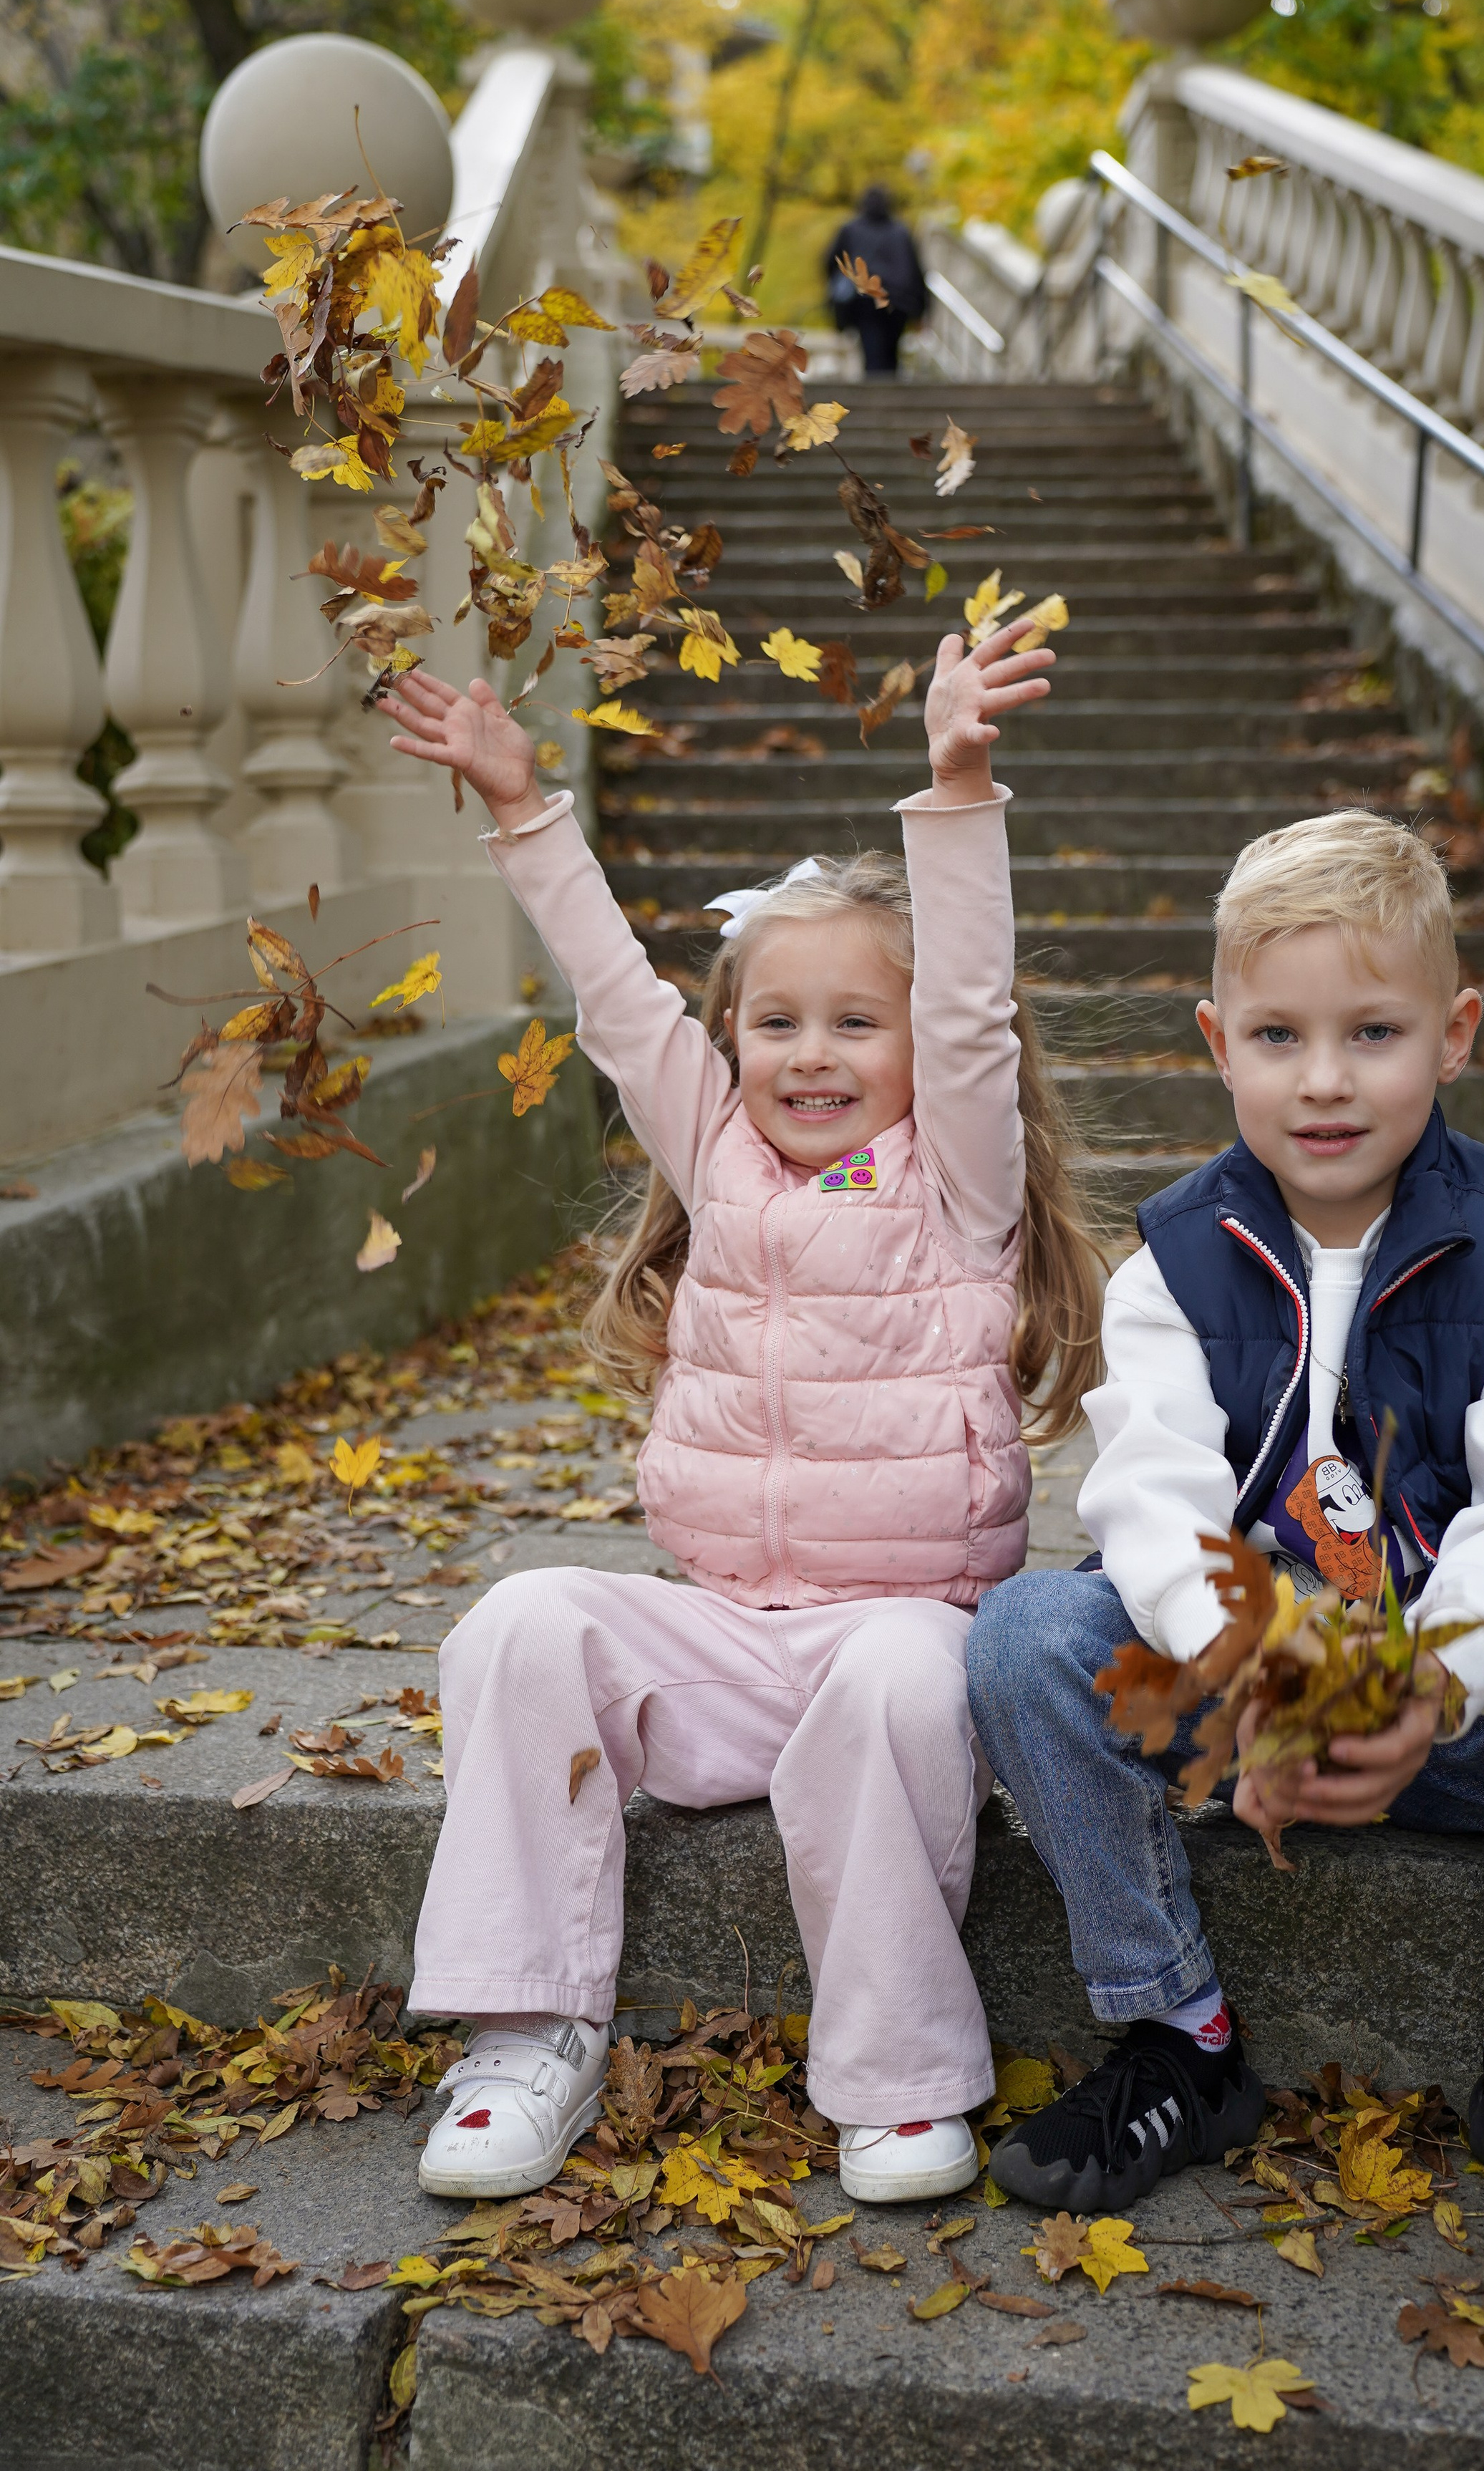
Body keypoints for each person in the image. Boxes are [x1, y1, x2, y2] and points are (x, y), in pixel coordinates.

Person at [966, 809, 1484, 2267]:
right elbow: (1149, 1493)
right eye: (1277, 1036)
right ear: (1216, 1041)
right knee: (1025, 1636)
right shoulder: (1171, 1266)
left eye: (1372, 1033)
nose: (1323, 1081)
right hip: (1243, 1703)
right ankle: (1175, 2037)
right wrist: (1255, 1670)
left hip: (1476, 1716)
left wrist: (1420, 1688)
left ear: (1453, 1033)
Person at [378, 622, 1104, 2208]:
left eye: (855, 1022)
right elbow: (618, 994)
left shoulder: (958, 1191)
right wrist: (521, 808)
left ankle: (899, 2077)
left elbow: (974, 1010)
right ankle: (525, 2032)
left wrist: (958, 785)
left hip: (894, 1646)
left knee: (904, 1678)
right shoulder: (713, 1156)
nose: (811, 1053)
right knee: (518, 1625)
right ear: (732, 1047)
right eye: (775, 1023)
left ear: (913, 1052)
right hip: (717, 1645)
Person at [825, 185, 927, 378]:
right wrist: (921, 309)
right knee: (891, 353)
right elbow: (916, 271)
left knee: (872, 351)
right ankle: (889, 395)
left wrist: (834, 298)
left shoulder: (850, 229)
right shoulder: (901, 232)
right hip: (898, 301)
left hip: (864, 300)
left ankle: (877, 394)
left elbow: (832, 263)